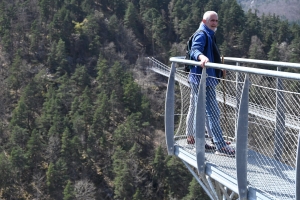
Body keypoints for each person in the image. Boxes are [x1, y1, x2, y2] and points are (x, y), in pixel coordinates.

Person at [186, 11, 235, 156]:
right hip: (203, 79)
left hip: (203, 78)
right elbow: (195, 50)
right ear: (204, 20)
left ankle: (204, 142)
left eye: (216, 21)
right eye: (212, 20)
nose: (214, 23)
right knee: (213, 112)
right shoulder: (202, 34)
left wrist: (218, 68)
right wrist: (201, 58)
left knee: (203, 111)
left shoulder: (209, 34)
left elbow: (211, 54)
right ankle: (220, 146)